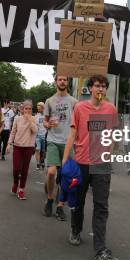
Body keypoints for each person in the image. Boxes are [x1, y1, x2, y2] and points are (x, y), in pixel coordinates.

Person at [62, 75, 120, 260]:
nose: (101, 89)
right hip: (81, 163)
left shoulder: (111, 109)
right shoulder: (80, 107)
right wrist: (65, 160)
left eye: (104, 86)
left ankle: (101, 249)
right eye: (97, 86)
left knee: (101, 206)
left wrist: (108, 155)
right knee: (78, 202)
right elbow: (73, 133)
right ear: (90, 89)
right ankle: (76, 229)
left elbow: (113, 136)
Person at [43, 75, 78, 221]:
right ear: (56, 82)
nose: (62, 81)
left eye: (65, 79)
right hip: (52, 140)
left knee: (67, 176)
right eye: (60, 79)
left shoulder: (74, 102)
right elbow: (45, 121)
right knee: (51, 173)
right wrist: (47, 125)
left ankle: (60, 206)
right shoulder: (49, 101)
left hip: (68, 142)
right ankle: (50, 199)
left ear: (67, 82)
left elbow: (78, 121)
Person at [6, 100, 38, 199]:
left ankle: (21, 189)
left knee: (24, 169)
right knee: (16, 169)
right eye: (26, 108)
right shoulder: (17, 119)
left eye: (29, 109)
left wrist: (29, 120)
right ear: (22, 109)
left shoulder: (33, 118)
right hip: (17, 146)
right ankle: (15, 183)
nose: (28, 110)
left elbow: (35, 130)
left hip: (29, 146)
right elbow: (13, 131)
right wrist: (8, 144)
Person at [34, 102, 47, 170]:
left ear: (43, 108)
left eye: (39, 109)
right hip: (38, 136)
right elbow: (35, 125)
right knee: (37, 149)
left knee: (44, 151)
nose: (38, 110)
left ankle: (42, 161)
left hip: (45, 136)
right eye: (38, 109)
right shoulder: (36, 116)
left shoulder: (47, 115)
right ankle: (38, 163)